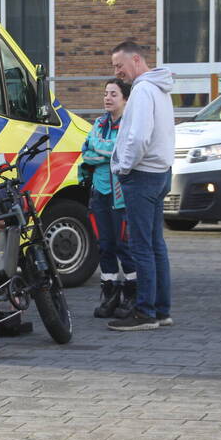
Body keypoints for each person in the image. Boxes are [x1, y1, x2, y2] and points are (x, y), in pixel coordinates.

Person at [108, 41, 175, 331]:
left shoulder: (144, 91)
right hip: (160, 173)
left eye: (119, 65)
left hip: (142, 175)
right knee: (156, 245)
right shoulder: (160, 89)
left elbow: (138, 137)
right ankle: (160, 310)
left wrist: (123, 167)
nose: (117, 71)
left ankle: (145, 311)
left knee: (141, 246)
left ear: (136, 59)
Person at [82, 78, 137, 319]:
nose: (107, 98)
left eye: (113, 94)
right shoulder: (99, 122)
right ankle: (110, 294)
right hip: (99, 193)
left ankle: (132, 295)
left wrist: (102, 149)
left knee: (123, 246)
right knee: (104, 246)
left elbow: (121, 151)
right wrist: (105, 151)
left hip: (120, 196)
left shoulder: (130, 123)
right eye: (105, 93)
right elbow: (87, 151)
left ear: (125, 98)